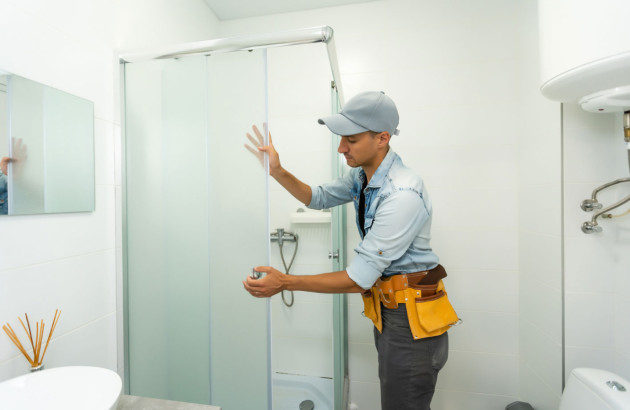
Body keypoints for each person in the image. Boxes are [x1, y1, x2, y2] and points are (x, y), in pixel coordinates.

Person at [243, 91, 456, 410]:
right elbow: (317, 197)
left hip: (410, 320)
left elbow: (359, 278)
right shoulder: (362, 176)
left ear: (382, 138)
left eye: (351, 140)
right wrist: (277, 170)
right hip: (390, 310)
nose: (341, 147)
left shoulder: (402, 193)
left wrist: (285, 282)